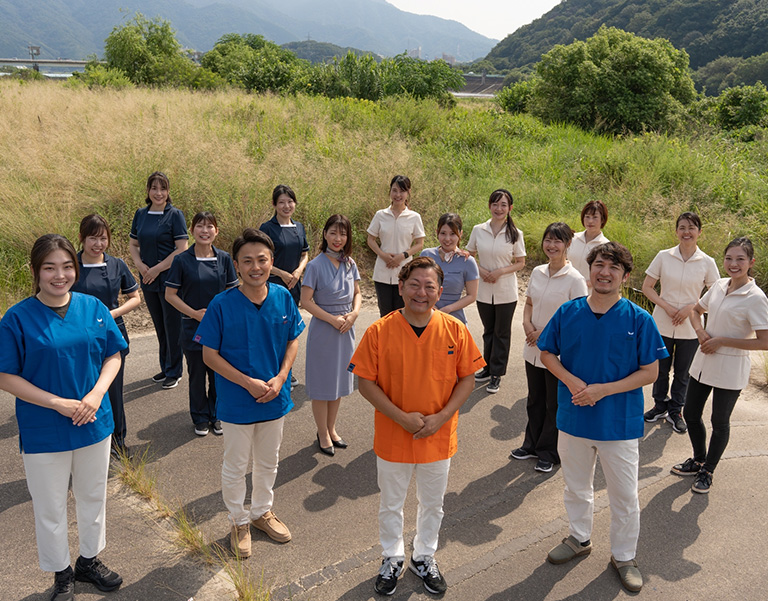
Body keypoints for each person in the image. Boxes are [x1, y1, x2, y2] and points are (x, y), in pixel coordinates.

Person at [0, 235, 127, 601]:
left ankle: (89, 560)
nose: (60, 275)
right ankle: (62, 572)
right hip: (45, 429)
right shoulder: (18, 317)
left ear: (76, 267)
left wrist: (95, 394)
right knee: (50, 505)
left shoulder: (94, 307)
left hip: (94, 420)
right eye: (50, 268)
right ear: (36, 272)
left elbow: (113, 355)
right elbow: (6, 374)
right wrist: (57, 403)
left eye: (67, 266)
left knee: (93, 495)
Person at [349, 256, 485, 596]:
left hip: (438, 435)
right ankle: (392, 557)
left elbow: (467, 379)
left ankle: (424, 556)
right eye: (414, 285)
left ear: (440, 292)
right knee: (391, 503)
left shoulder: (455, 330)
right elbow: (366, 383)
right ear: (400, 288)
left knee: (433, 503)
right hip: (394, 434)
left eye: (429, 286)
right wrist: (402, 418)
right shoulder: (380, 331)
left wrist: (441, 417)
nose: (421, 293)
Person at [538, 241, 667, 594]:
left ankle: (624, 556)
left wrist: (603, 390)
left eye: (613, 267)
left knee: (624, 495)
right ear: (589, 269)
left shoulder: (639, 319)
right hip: (574, 418)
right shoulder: (569, 312)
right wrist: (571, 380)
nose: (604, 272)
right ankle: (579, 538)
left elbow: (651, 372)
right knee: (576, 487)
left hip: (618, 424)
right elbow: (547, 352)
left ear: (625, 277)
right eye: (599, 265)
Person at [195, 228, 305, 558]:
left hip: (275, 396)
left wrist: (282, 376)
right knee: (236, 464)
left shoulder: (282, 297)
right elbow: (208, 355)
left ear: (272, 262)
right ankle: (238, 520)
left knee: (269, 461)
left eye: (262, 260)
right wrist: (247, 382)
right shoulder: (222, 304)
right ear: (236, 266)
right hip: (237, 401)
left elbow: (293, 339)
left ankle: (261, 513)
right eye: (247, 261)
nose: (255, 267)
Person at [671, 237, 768, 494]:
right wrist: (700, 332)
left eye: (740, 259)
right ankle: (698, 458)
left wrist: (722, 341)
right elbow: (695, 310)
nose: (733, 264)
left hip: (731, 368)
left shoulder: (756, 297)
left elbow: (764, 342)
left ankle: (708, 470)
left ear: (751, 262)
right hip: (704, 360)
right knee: (690, 414)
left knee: (719, 421)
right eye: (729, 258)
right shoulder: (719, 285)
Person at [512, 223, 587, 473]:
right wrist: (526, 324)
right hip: (532, 346)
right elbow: (529, 303)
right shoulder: (538, 271)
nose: (551, 245)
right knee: (534, 399)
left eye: (558, 241)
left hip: (556, 351)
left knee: (552, 403)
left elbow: (576, 319)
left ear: (567, 245)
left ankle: (548, 451)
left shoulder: (575, 280)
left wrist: (542, 333)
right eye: (548, 240)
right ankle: (530, 444)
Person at [642, 212, 720, 433]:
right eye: (682, 227)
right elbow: (648, 287)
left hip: (691, 326)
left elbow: (715, 293)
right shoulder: (663, 256)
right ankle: (659, 405)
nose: (687, 232)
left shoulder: (707, 262)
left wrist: (691, 308)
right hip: (662, 322)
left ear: (699, 232)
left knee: (683, 372)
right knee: (659, 368)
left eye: (692, 228)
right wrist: (666, 306)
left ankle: (676, 410)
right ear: (676, 231)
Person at [71, 214, 141, 457]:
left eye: (103, 238)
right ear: (81, 238)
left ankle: (118, 442)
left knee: (113, 392)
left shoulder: (117, 265)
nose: (98, 244)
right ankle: (88, 440)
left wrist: (110, 314)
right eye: (92, 238)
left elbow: (135, 298)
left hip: (112, 335)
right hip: (78, 339)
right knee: (82, 390)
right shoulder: (71, 266)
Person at [165, 211, 239, 437]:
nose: (205, 231)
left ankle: (217, 415)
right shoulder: (181, 260)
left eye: (210, 226)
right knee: (197, 375)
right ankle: (199, 417)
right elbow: (170, 295)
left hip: (220, 328)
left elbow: (232, 291)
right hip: (192, 327)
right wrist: (194, 314)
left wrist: (222, 316)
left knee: (219, 374)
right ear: (192, 230)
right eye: (200, 226)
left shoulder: (224, 258)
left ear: (216, 231)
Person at [301, 215, 362, 456]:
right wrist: (332, 319)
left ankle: (332, 428)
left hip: (346, 328)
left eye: (343, 234)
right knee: (322, 386)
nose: (338, 239)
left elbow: (357, 293)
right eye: (334, 233)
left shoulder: (350, 263)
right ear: (325, 233)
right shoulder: (315, 265)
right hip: (325, 330)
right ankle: (322, 432)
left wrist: (355, 314)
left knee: (338, 383)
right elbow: (306, 301)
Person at [129, 171, 188, 389]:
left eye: (163, 188)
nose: (158, 193)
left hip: (170, 278)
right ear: (148, 191)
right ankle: (165, 366)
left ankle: (175, 371)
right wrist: (141, 266)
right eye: (154, 188)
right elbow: (133, 245)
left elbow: (182, 249)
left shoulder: (175, 215)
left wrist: (157, 269)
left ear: (168, 191)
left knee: (173, 326)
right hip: (148, 278)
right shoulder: (141, 214)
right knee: (159, 326)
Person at [466, 188, 526, 394]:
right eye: (495, 204)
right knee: (488, 331)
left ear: (510, 208)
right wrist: (481, 270)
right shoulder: (478, 229)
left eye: (503, 205)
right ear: (489, 206)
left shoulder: (515, 234)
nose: (498, 208)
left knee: (502, 332)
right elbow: (469, 254)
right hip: (483, 289)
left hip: (505, 290)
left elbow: (520, 262)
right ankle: (487, 367)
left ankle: (496, 374)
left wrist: (500, 271)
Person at [260, 184, 309, 388]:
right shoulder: (267, 228)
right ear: (274, 204)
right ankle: (271, 370)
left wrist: (298, 272)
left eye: (290, 202)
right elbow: (261, 259)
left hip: (294, 285)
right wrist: (282, 273)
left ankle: (287, 371)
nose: (286, 206)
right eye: (281, 202)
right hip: (273, 285)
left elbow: (305, 253)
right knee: (272, 328)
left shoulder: (298, 227)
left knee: (289, 329)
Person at [367, 175, 426, 317]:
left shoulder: (414, 217)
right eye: (394, 190)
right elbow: (371, 239)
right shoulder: (380, 215)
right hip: (382, 271)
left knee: (403, 313)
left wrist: (403, 256)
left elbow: (420, 243)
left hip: (405, 271)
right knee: (385, 314)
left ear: (408, 193)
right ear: (390, 192)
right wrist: (383, 255)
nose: (398, 195)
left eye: (402, 191)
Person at [420, 213, 479, 324]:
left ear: (460, 234)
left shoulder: (467, 261)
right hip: (426, 317)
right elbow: (418, 285)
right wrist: (432, 307)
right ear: (437, 233)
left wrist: (447, 309)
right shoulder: (426, 255)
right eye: (443, 233)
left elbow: (472, 295)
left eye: (453, 234)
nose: (447, 239)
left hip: (454, 320)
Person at [568, 200, 609, 283]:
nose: (590, 221)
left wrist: (580, 284)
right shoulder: (573, 238)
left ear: (602, 220)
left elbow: (604, 275)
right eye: (587, 217)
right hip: (565, 289)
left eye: (595, 217)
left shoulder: (606, 246)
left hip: (589, 293)